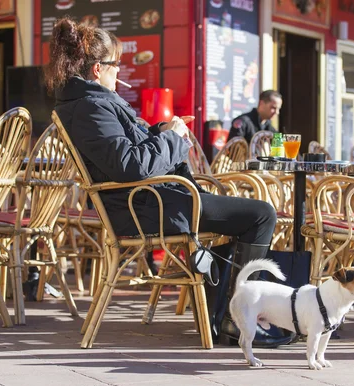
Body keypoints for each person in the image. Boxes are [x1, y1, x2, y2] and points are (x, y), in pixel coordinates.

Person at [44, 17, 295, 347]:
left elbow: (128, 153)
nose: (119, 71)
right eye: (115, 65)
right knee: (262, 214)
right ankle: (240, 320)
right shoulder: (92, 108)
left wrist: (160, 131)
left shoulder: (89, 104)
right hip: (147, 205)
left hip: (152, 199)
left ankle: (221, 310)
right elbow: (129, 164)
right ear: (97, 69)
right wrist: (174, 139)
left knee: (246, 219)